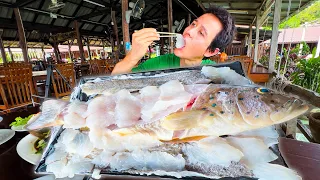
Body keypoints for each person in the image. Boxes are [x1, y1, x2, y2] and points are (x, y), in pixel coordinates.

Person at [112, 6, 235, 75]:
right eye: (193, 24)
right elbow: (114, 87)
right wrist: (132, 57)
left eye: (201, 33)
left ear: (210, 51)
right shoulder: (157, 64)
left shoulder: (217, 74)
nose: (189, 31)